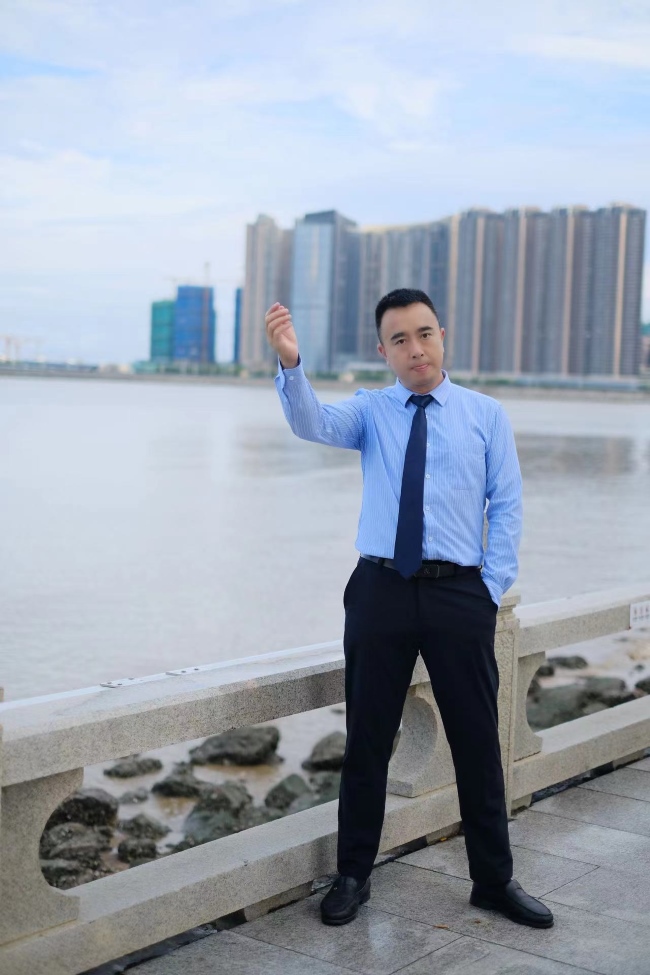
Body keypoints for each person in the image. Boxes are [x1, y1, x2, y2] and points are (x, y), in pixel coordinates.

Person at [265, 288, 553, 930]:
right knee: (368, 738)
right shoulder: (372, 412)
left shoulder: (485, 415)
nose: (415, 348)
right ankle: (352, 875)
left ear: (441, 337)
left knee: (476, 740)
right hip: (381, 590)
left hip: (460, 594)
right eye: (400, 339)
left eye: (424, 334)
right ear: (384, 351)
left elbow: (506, 505)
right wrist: (290, 363)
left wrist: (488, 588)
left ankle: (494, 881)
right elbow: (311, 423)